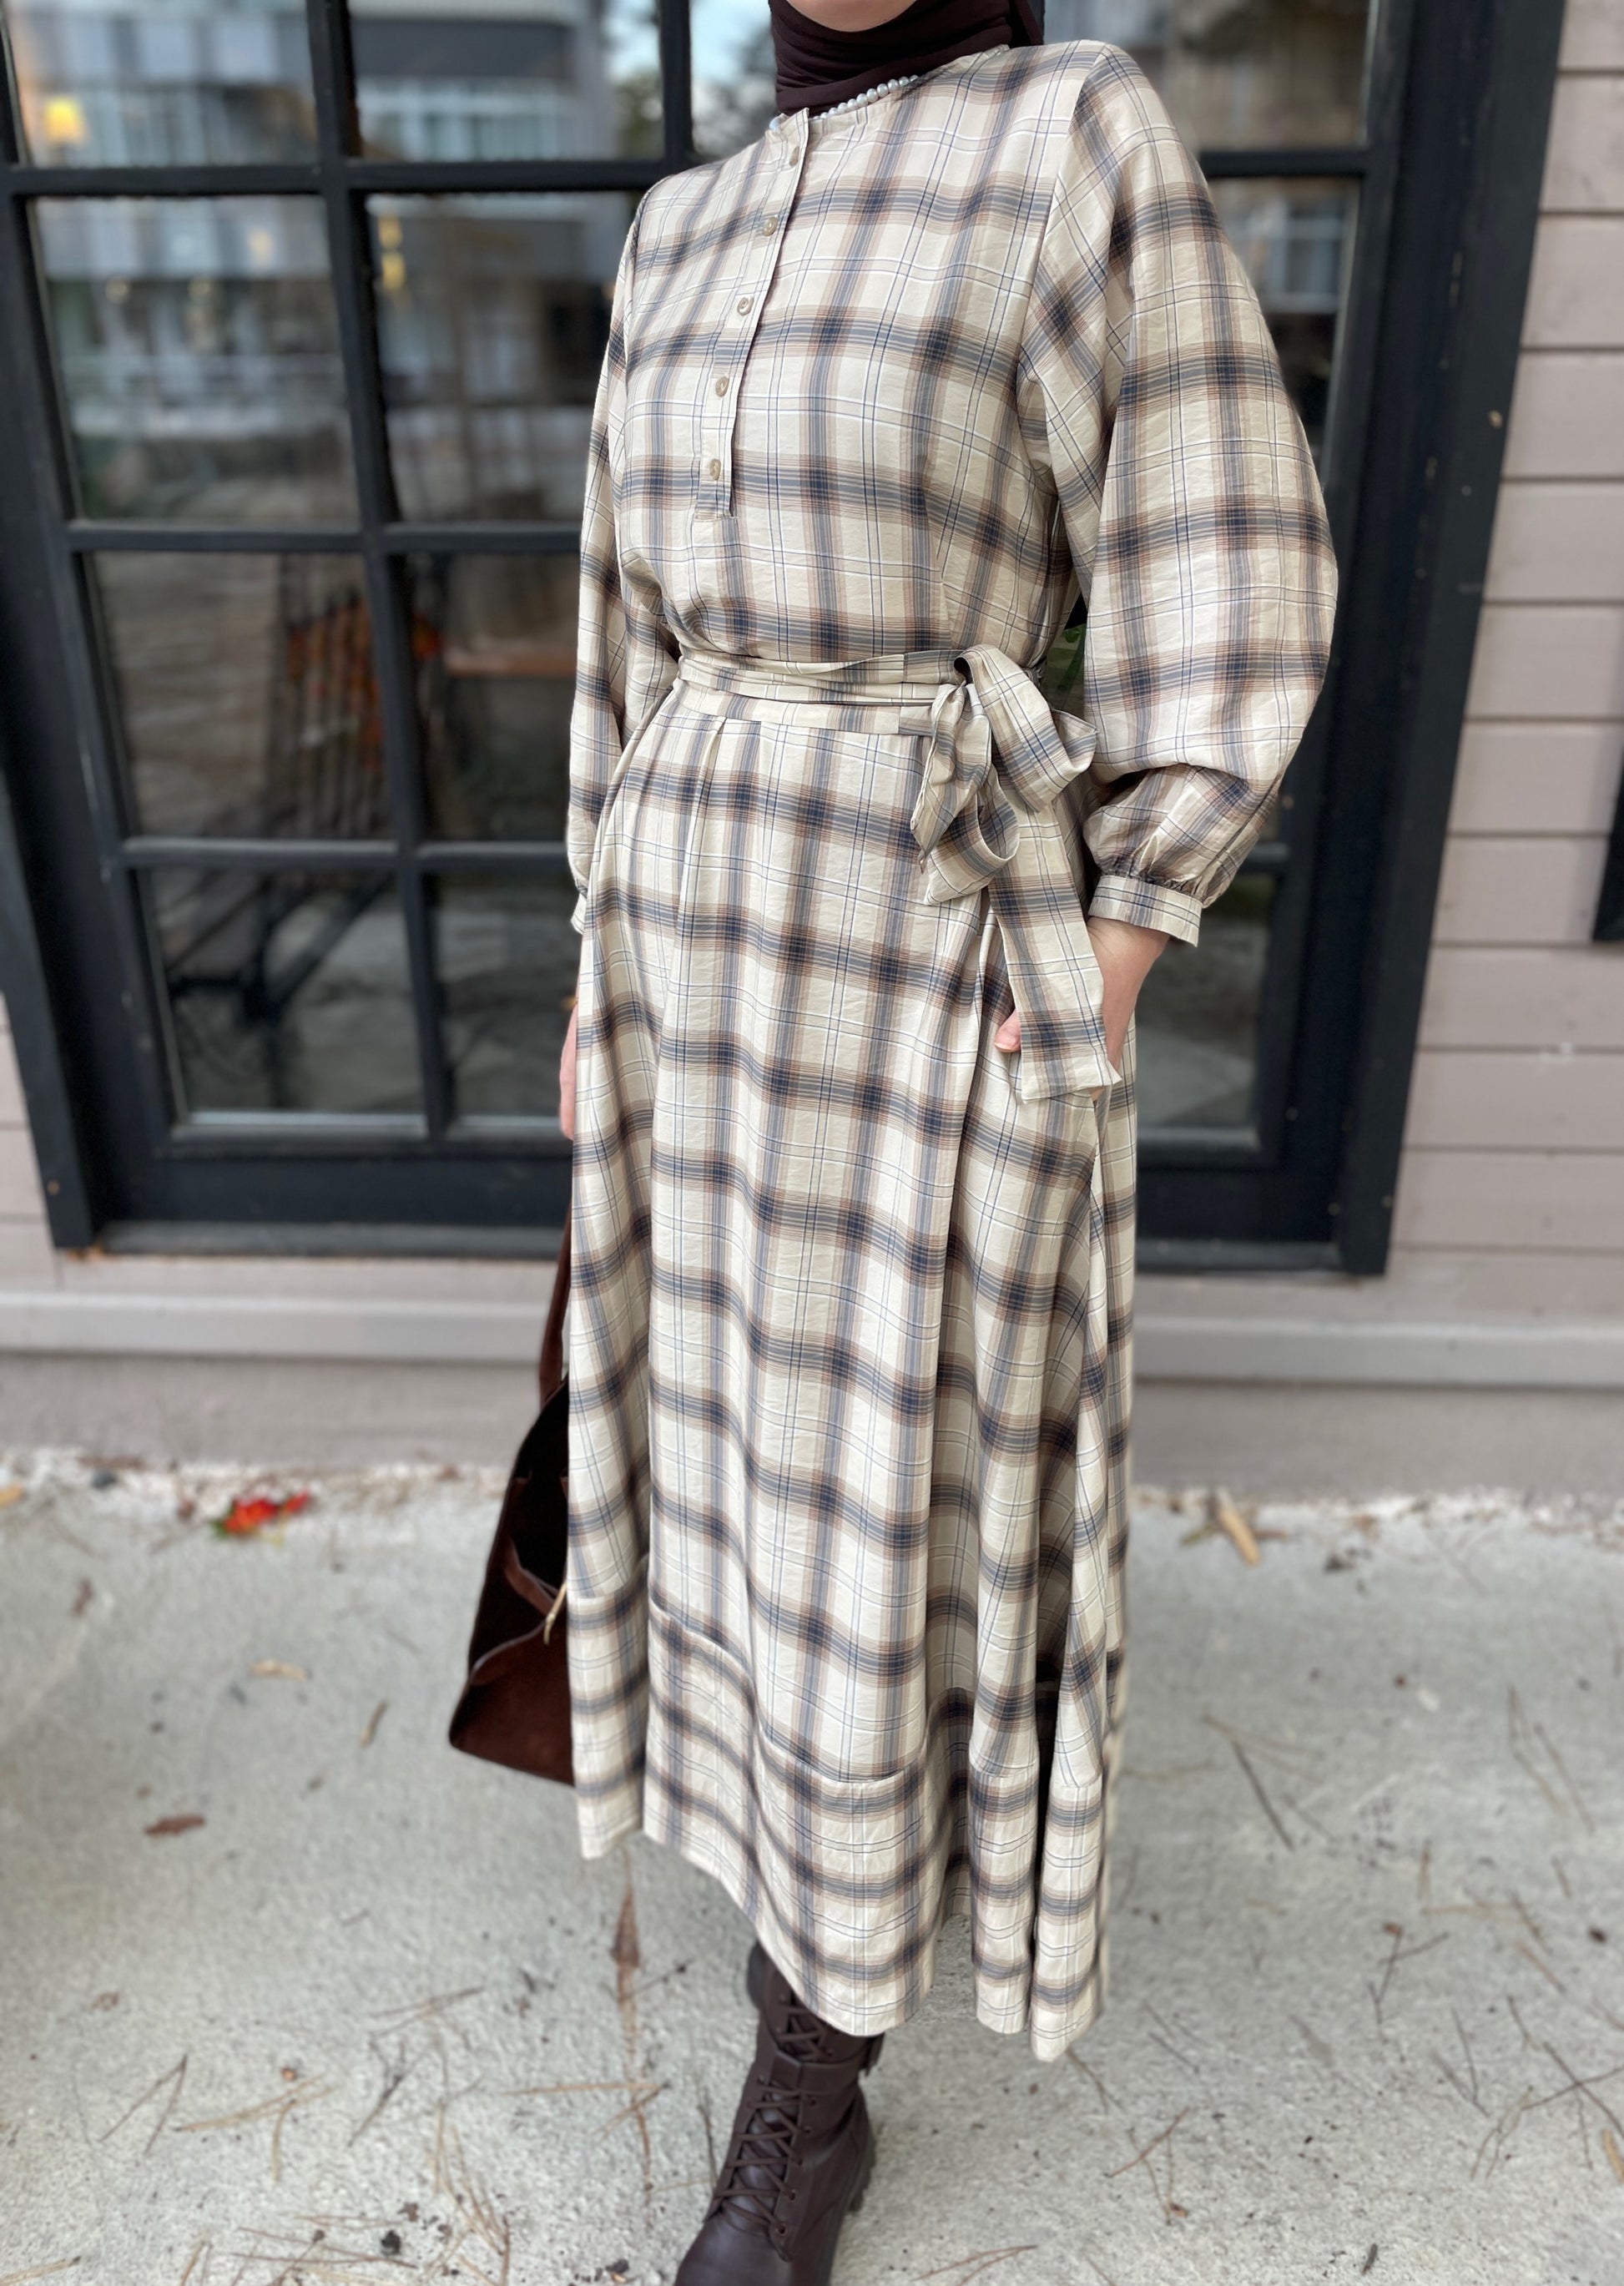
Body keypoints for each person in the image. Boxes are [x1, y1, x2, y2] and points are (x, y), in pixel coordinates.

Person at [556, 0, 1338, 2273]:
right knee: (731, 1484)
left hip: (922, 941)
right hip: (692, 951)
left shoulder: (1069, 132)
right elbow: (621, 631)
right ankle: (786, 1933)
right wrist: (598, 943)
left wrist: (1124, 927)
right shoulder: (679, 219)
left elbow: (1219, 529)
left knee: (879, 1510)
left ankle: (808, 2096)